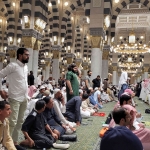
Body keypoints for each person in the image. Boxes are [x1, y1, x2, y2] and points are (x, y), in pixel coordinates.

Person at [0, 48, 29, 147]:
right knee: (12, 122)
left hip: (24, 97)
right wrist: (1, 90)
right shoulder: (13, 66)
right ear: (20, 55)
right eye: (26, 55)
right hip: (15, 98)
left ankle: (14, 142)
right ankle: (6, 143)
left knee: (20, 121)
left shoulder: (25, 67)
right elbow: (0, 75)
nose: (28, 56)